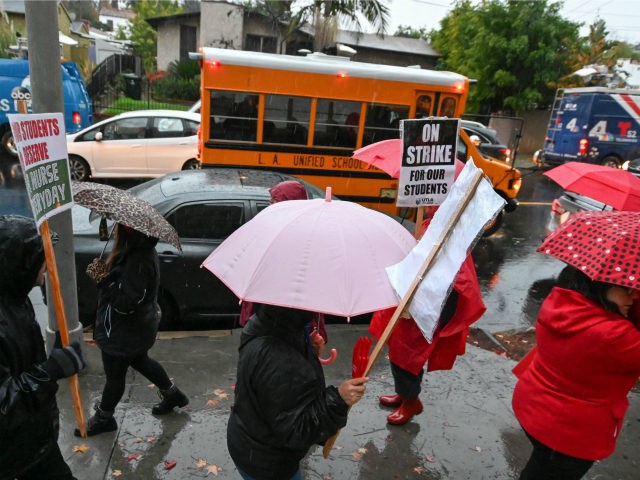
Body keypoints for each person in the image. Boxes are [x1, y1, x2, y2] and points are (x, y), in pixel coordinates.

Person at [369, 160, 485, 425]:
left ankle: (412, 402)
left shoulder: (450, 226)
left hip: (429, 305)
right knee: (400, 350)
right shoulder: (435, 220)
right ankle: (404, 394)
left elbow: (456, 276)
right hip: (416, 300)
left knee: (407, 354)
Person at [512, 265, 640, 479]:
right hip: (571, 435)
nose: (634, 296)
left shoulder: (562, 299)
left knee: (540, 466)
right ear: (601, 285)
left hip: (533, 406)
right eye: (627, 289)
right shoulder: (617, 336)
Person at [227, 303, 368, 480]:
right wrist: (338, 399)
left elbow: (283, 389)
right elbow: (297, 430)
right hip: (268, 463)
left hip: (249, 438)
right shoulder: (279, 360)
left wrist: (306, 351)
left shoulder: (264, 323)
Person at [77, 223, 188, 437]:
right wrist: (108, 273)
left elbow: (126, 302)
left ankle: (104, 417)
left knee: (115, 376)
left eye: (118, 226)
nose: (114, 229)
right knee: (140, 360)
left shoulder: (138, 260)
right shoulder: (136, 251)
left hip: (123, 331)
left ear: (128, 231)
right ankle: (173, 395)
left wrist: (104, 281)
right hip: (132, 328)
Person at [0, 215, 85, 480]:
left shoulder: (14, 296)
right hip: (14, 462)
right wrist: (49, 371)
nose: (47, 266)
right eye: (41, 259)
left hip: (35, 443)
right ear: (20, 264)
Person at [239, 180, 328, 354]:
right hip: (266, 325)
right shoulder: (268, 232)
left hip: (286, 329)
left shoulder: (305, 243)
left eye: (275, 202)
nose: (270, 206)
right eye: (270, 202)